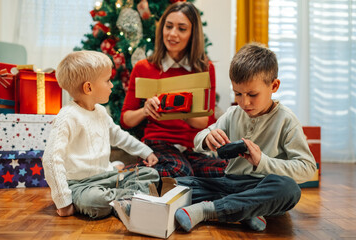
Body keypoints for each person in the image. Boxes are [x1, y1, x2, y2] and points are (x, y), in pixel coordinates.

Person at [174, 42, 317, 232]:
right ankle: (245, 211)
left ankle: (208, 210)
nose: (244, 102)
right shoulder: (233, 113)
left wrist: (262, 162)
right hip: (230, 184)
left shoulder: (287, 121)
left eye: (252, 94)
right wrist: (208, 138)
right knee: (178, 183)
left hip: (263, 187)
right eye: (238, 94)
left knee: (289, 190)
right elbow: (198, 140)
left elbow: (308, 168)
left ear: (274, 86)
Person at [43, 50, 160, 219]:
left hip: (108, 176)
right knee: (95, 201)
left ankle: (121, 199)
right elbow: (51, 159)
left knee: (151, 174)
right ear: (88, 87)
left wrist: (145, 151)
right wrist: (64, 202)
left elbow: (119, 136)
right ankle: (132, 198)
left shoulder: (100, 111)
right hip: (80, 186)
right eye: (107, 80)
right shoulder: (67, 117)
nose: (112, 85)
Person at [120, 2, 227, 178]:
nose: (172, 34)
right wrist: (145, 110)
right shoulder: (144, 67)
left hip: (193, 147)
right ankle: (135, 175)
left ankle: (180, 186)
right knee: (179, 170)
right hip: (158, 143)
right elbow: (125, 119)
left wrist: (181, 110)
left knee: (226, 171)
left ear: (193, 34)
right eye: (168, 27)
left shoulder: (204, 69)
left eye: (182, 29)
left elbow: (206, 122)